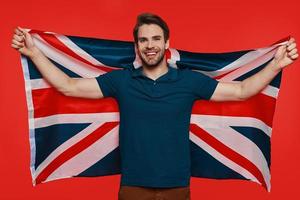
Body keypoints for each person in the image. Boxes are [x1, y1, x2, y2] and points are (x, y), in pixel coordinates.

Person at [11, 13, 298, 200]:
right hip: (133, 188)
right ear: (136, 46)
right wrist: (34, 51)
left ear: (167, 43)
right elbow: (68, 86)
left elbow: (241, 91)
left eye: (156, 39)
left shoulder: (188, 81)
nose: (150, 45)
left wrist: (276, 64)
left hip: (177, 188)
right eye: (143, 40)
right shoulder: (121, 81)